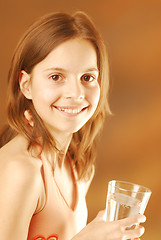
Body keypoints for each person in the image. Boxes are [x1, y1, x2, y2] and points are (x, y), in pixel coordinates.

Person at [0, 11, 146, 240]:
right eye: (56, 77)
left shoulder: (78, 168)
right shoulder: (20, 170)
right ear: (26, 85)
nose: (76, 94)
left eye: (87, 77)